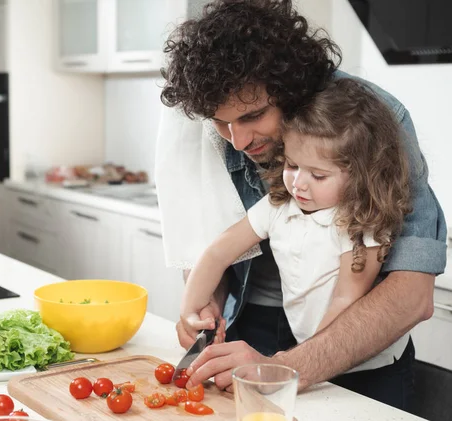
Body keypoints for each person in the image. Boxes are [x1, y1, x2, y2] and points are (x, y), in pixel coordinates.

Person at [157, 0, 447, 410]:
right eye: (221, 122)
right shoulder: (217, 123)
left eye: (253, 115)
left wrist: (290, 366)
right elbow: (213, 240)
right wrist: (206, 303)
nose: (237, 141)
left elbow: (412, 296)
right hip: (250, 326)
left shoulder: (374, 121)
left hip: (358, 344)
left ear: (292, 90)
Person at [181, 78, 411, 363]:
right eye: (292, 165)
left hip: (362, 363)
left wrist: (297, 362)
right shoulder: (279, 205)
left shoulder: (361, 223)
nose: (298, 184)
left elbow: (345, 302)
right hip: (309, 352)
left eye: (318, 175)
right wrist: (190, 309)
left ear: (359, 176)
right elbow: (218, 252)